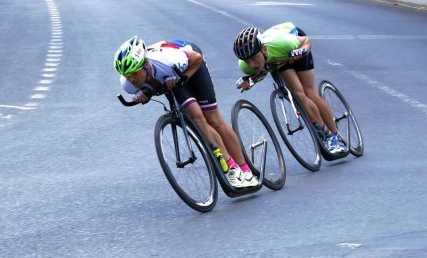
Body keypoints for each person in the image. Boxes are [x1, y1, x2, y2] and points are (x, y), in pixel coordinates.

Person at [114, 36, 256, 188]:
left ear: (146, 65)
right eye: (128, 76)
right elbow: (151, 84)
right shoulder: (128, 85)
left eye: (135, 73)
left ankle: (246, 172)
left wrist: (182, 78)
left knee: (211, 119)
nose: (132, 79)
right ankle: (231, 165)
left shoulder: (167, 59)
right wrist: (146, 93)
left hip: (190, 64)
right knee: (196, 119)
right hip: (169, 75)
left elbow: (197, 58)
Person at [233, 23, 347, 155]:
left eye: (254, 58)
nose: (252, 64)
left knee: (309, 92)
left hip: (294, 47)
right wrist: (250, 80)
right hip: (279, 59)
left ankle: (335, 137)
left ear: (263, 49)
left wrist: (301, 52)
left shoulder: (282, 43)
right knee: (298, 94)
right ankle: (322, 130)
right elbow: (262, 71)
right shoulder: (246, 65)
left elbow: (306, 41)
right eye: (247, 61)